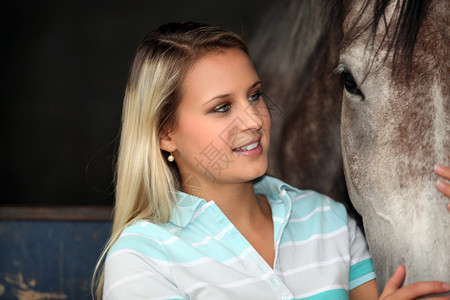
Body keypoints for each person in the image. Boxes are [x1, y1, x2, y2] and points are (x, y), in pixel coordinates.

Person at [93, 21, 450, 299]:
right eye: (222, 108)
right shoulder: (142, 258)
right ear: (165, 133)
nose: (253, 120)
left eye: (255, 96)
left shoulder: (328, 219)